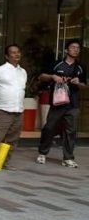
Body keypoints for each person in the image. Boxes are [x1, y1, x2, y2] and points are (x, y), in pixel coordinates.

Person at [36, 40, 85, 168]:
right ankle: (42, 153)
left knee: (71, 131)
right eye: (73, 47)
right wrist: (53, 77)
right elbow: (41, 76)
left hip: (73, 105)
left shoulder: (80, 67)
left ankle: (68, 158)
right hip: (57, 103)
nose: (75, 49)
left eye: (78, 48)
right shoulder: (57, 64)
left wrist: (78, 83)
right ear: (66, 50)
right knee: (49, 127)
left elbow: (85, 85)